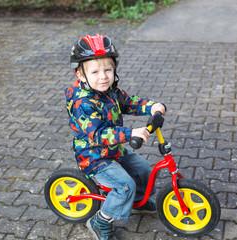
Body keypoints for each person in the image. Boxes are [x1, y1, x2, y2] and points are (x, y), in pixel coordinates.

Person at [65, 34, 166, 240]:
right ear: (80, 74)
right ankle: (100, 221)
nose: (103, 76)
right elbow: (99, 134)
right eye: (95, 71)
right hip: (94, 157)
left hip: (114, 150)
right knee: (124, 185)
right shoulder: (82, 103)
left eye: (108, 70)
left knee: (143, 168)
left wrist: (151, 106)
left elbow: (129, 102)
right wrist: (130, 133)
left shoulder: (110, 91)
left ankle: (139, 200)